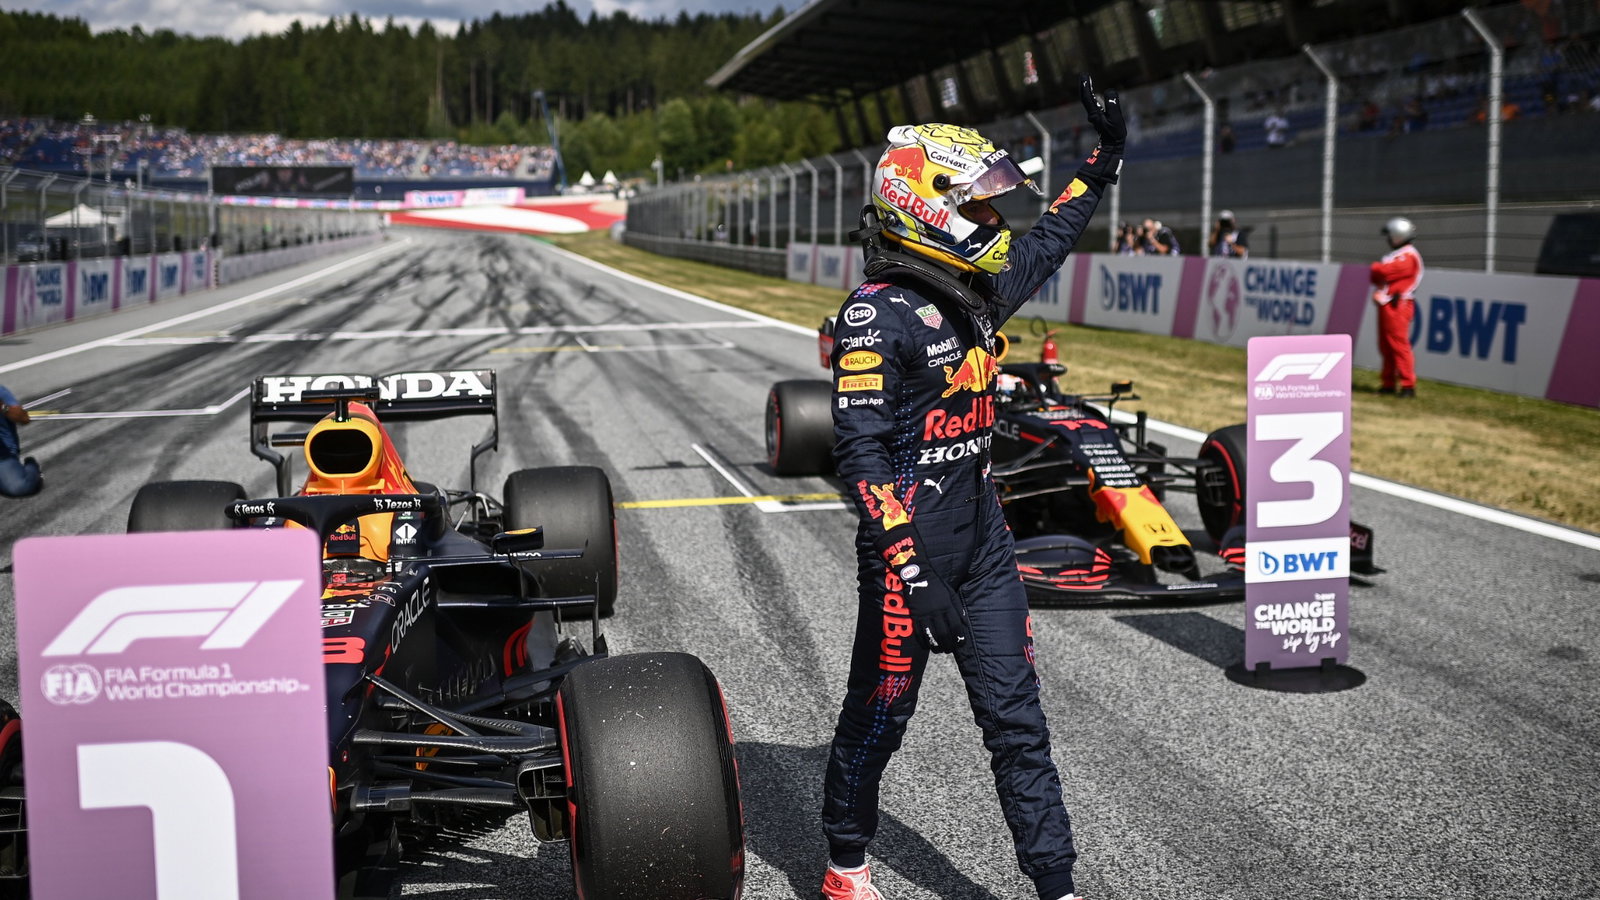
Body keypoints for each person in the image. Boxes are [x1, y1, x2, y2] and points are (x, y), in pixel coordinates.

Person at [820, 74, 1124, 900]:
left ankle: (1056, 887)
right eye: (982, 207)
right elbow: (862, 458)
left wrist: (1102, 161)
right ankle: (846, 866)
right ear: (923, 207)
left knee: (1018, 725)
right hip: (905, 556)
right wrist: (914, 579)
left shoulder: (978, 287)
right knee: (879, 722)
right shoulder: (871, 317)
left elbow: (1052, 237)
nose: (998, 221)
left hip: (985, 543)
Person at [1369, 217, 1424, 397]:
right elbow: (1376, 277)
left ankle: (1408, 385)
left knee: (1399, 345)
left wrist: (1376, 267)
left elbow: (1382, 271)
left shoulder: (1408, 256)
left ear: (1398, 236)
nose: (1388, 239)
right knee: (1386, 346)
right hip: (1387, 303)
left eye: (1390, 236)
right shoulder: (1395, 256)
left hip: (1398, 304)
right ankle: (1388, 383)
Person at [0, 385, 42, 497]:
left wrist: (4, 407)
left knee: (19, 487)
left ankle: (31, 466)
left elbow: (23, 419)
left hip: (3, 454)